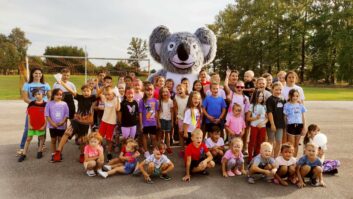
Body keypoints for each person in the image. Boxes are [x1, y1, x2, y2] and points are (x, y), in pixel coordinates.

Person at [53, 83, 99, 163]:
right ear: (82, 92)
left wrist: (98, 85)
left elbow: (99, 93)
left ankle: (82, 154)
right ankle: (58, 152)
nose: (86, 92)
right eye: (84, 91)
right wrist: (63, 83)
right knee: (67, 133)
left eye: (87, 91)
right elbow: (71, 91)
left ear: (91, 92)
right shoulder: (80, 97)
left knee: (82, 140)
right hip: (76, 120)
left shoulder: (92, 98)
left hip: (85, 122)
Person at [18, 67, 51, 156]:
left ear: (42, 74)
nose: (38, 75)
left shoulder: (46, 84)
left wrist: (44, 104)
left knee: (42, 127)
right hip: (32, 108)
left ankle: (41, 145)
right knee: (27, 127)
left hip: (43, 109)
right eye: (35, 73)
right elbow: (25, 98)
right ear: (32, 74)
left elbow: (50, 97)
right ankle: (22, 147)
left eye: (40, 73)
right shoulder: (27, 85)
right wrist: (35, 103)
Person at [18, 88, 47, 162]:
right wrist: (29, 125)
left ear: (43, 94)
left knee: (41, 138)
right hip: (32, 125)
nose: (37, 96)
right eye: (35, 94)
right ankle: (24, 154)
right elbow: (29, 115)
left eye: (38, 94)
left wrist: (44, 126)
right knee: (28, 139)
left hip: (41, 125)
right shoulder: (31, 104)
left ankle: (39, 151)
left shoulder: (46, 104)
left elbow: (47, 116)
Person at [45, 88, 69, 162]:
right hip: (52, 126)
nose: (59, 96)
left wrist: (62, 122)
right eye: (57, 94)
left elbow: (66, 115)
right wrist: (52, 123)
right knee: (53, 140)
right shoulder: (49, 103)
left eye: (60, 95)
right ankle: (53, 153)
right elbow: (47, 115)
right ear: (53, 95)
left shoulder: (64, 104)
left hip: (62, 126)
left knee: (60, 140)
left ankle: (59, 153)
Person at [227, 81, 250, 155]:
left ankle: (240, 151)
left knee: (240, 138)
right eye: (238, 87)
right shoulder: (232, 95)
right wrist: (227, 76)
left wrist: (246, 121)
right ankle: (230, 154)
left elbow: (247, 111)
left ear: (244, 88)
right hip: (231, 121)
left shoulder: (245, 98)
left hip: (241, 120)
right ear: (235, 87)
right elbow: (225, 87)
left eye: (242, 87)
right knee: (231, 139)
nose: (239, 88)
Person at [99, 86, 120, 161]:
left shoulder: (115, 100)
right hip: (104, 121)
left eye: (109, 94)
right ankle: (99, 151)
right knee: (100, 137)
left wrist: (117, 96)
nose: (107, 96)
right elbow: (99, 93)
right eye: (106, 94)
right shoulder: (105, 99)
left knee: (109, 139)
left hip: (111, 123)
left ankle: (109, 152)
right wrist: (101, 85)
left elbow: (118, 108)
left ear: (113, 94)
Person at [246, 90, 268, 162]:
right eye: (259, 96)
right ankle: (250, 157)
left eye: (262, 96)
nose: (260, 98)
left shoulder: (264, 106)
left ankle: (257, 156)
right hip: (254, 126)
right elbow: (248, 118)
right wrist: (255, 118)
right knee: (252, 142)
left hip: (262, 127)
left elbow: (267, 118)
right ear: (255, 97)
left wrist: (262, 124)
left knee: (260, 142)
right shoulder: (252, 106)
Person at [284, 89, 307, 157]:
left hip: (299, 125)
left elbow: (303, 117)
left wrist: (304, 127)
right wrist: (285, 128)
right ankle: (289, 159)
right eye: (293, 96)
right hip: (291, 125)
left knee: (296, 144)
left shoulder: (300, 105)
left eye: (297, 96)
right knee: (291, 144)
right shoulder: (287, 105)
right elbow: (285, 117)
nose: (295, 97)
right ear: (290, 96)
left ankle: (294, 160)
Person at [139, 82, 159, 158]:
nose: (149, 92)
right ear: (144, 91)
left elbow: (156, 112)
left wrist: (157, 122)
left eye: (151, 90)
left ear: (153, 91)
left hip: (153, 123)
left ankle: (155, 149)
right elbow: (140, 113)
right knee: (145, 137)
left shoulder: (155, 101)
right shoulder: (142, 101)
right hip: (145, 123)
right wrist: (141, 124)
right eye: (147, 90)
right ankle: (146, 151)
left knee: (153, 137)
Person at [266, 82, 286, 158]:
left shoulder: (283, 99)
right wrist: (272, 124)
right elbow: (269, 112)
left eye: (280, 90)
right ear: (272, 89)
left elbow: (284, 112)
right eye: (276, 89)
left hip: (280, 124)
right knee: (271, 141)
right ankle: (270, 158)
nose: (278, 91)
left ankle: (275, 158)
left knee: (279, 141)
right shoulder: (270, 100)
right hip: (272, 124)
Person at [158, 86, 174, 154]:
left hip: (168, 119)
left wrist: (172, 121)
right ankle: (161, 147)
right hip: (162, 119)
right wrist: (158, 121)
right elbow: (158, 112)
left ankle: (168, 147)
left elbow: (172, 112)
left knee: (167, 134)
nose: (165, 93)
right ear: (161, 93)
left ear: (168, 93)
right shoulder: (159, 101)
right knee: (161, 134)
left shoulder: (170, 101)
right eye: (163, 92)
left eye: (166, 92)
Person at [174, 84, 189, 155]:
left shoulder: (189, 98)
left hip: (188, 119)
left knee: (188, 133)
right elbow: (176, 108)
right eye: (178, 89)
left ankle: (188, 148)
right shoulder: (176, 98)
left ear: (185, 89)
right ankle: (182, 148)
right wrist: (177, 117)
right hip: (180, 117)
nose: (179, 90)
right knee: (181, 133)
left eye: (181, 89)